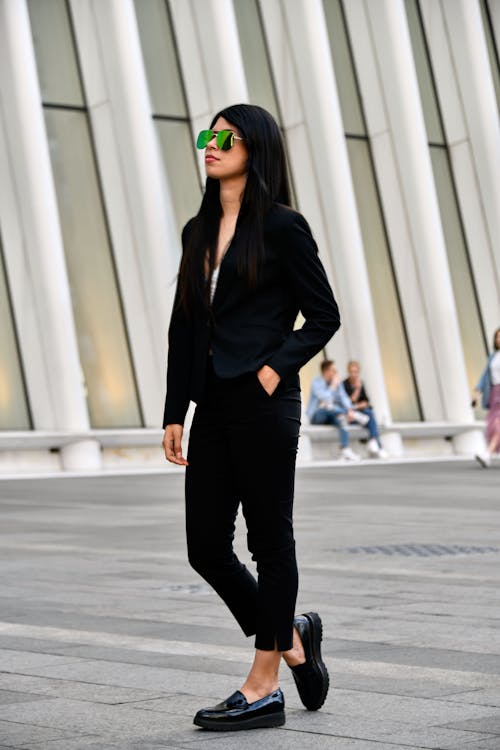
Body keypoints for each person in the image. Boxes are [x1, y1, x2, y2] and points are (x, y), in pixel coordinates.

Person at [162, 104, 340, 731]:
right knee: (206, 545)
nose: (208, 146)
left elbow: (324, 315)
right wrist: (174, 410)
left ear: (254, 149)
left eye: (223, 138)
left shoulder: (285, 228)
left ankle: (264, 686)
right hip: (211, 405)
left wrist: (274, 367)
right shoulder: (195, 231)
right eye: (205, 136)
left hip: (265, 403)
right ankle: (291, 634)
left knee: (270, 541)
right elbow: (184, 327)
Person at [306, 360, 368, 462]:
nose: (335, 372)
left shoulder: (336, 383)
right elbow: (324, 398)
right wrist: (333, 386)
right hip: (317, 416)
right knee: (326, 407)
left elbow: (344, 398)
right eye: (333, 370)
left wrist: (349, 410)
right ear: (326, 371)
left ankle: (345, 450)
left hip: (333, 414)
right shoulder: (316, 382)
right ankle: (354, 415)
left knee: (341, 419)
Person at [343, 360, 388, 459]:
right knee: (370, 417)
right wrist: (357, 389)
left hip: (361, 414)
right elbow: (349, 403)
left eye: (356, 372)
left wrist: (358, 405)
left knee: (369, 413)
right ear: (348, 372)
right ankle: (378, 446)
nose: (354, 374)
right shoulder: (344, 384)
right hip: (350, 416)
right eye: (352, 372)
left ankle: (373, 441)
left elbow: (366, 402)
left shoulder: (360, 383)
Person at [473, 327, 500, 468]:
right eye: (497, 337)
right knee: (494, 425)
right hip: (495, 394)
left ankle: (487, 454)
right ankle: (488, 453)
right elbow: (485, 377)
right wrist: (477, 392)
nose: (499, 339)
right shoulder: (493, 357)